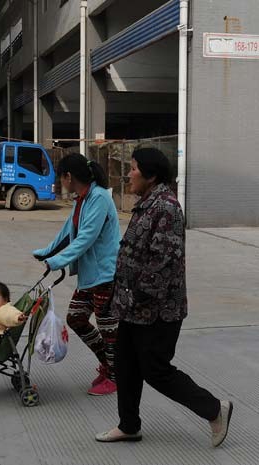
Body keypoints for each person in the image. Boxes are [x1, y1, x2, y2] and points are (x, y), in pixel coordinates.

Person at [95, 147, 232, 447]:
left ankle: (214, 409)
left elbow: (163, 261)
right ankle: (129, 426)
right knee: (126, 365)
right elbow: (134, 256)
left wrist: (137, 296)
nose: (128, 174)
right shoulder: (147, 203)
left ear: (151, 174)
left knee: (156, 371)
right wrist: (119, 297)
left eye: (133, 168)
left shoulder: (166, 207)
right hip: (133, 307)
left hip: (158, 311)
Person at [32, 153, 120, 396]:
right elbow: (67, 231)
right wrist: (46, 252)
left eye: (61, 177)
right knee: (76, 318)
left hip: (106, 275)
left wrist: (57, 261)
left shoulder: (100, 198)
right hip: (90, 276)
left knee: (108, 329)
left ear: (69, 176)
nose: (61, 181)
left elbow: (85, 238)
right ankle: (111, 365)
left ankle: (115, 375)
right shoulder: (81, 199)